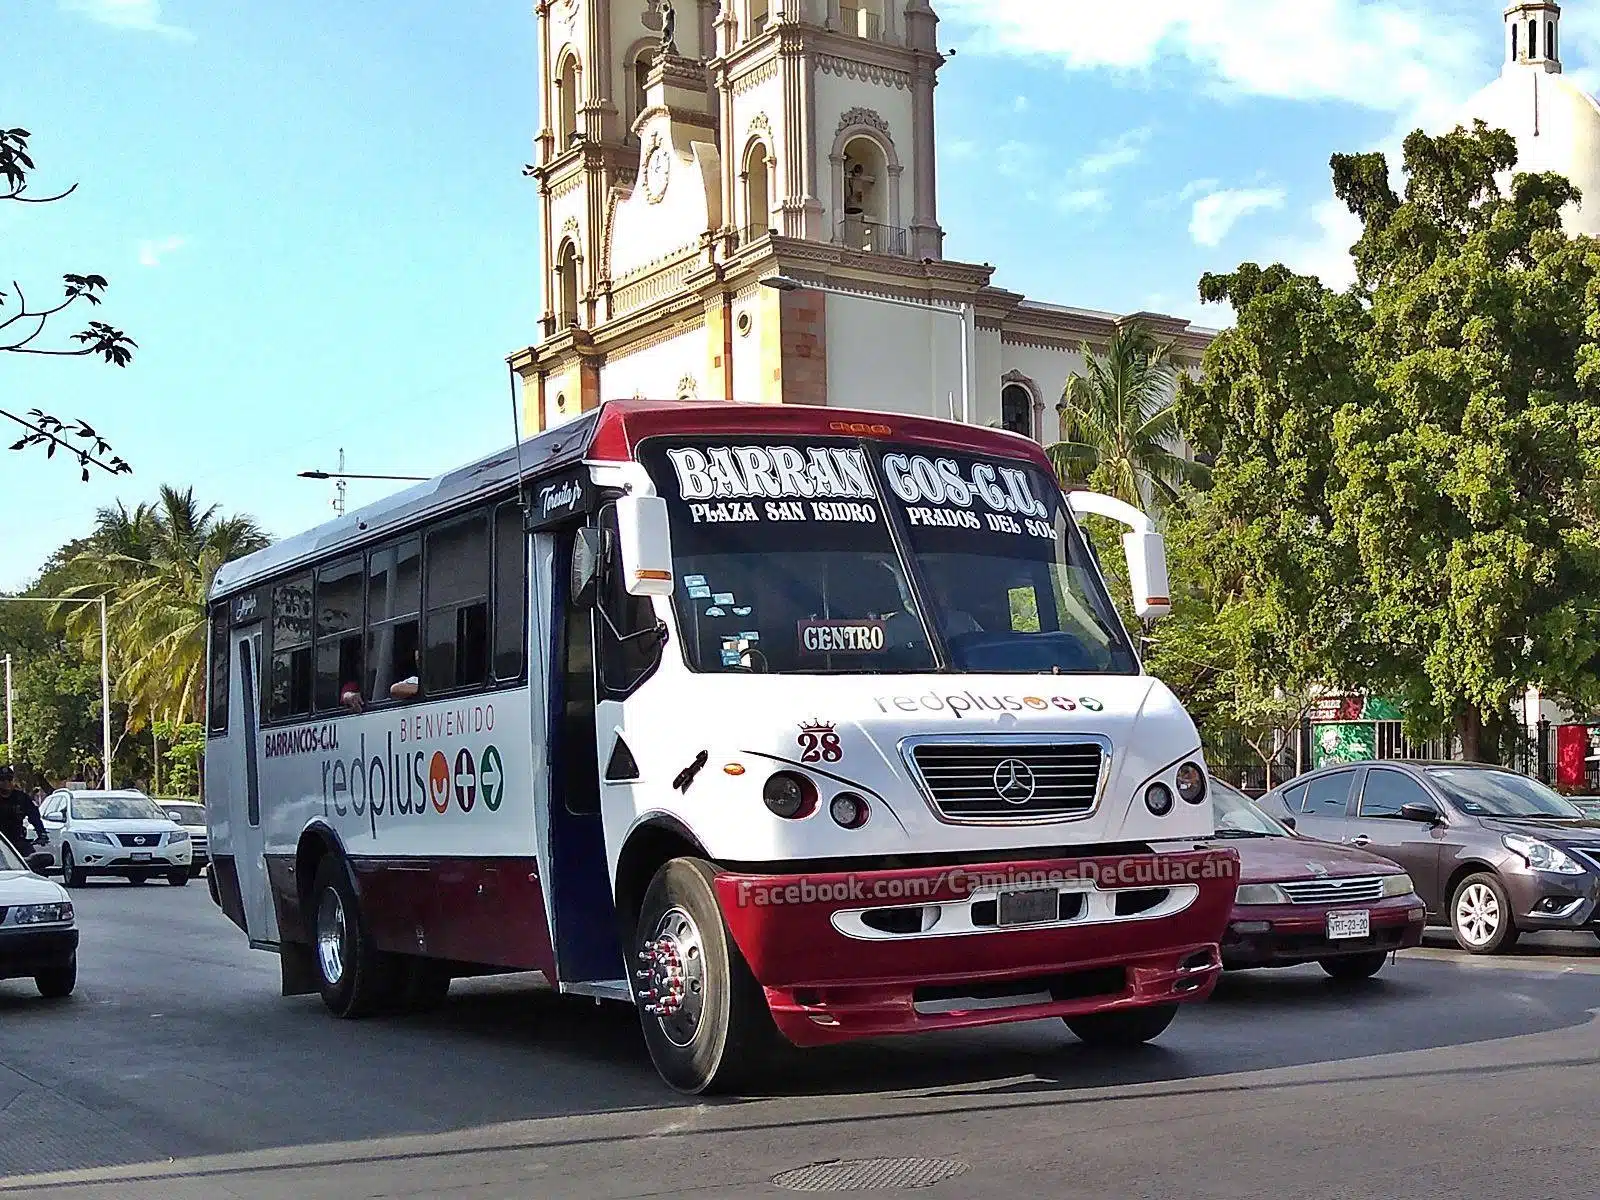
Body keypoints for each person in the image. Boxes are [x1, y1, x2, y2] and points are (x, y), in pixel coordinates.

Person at [0, 766, 46, 853]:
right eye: (2, 779)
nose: (6, 783)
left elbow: (34, 816)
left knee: (31, 856)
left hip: (17, 841)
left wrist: (41, 833)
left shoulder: (21, 798)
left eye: (9, 779)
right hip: (1, 841)